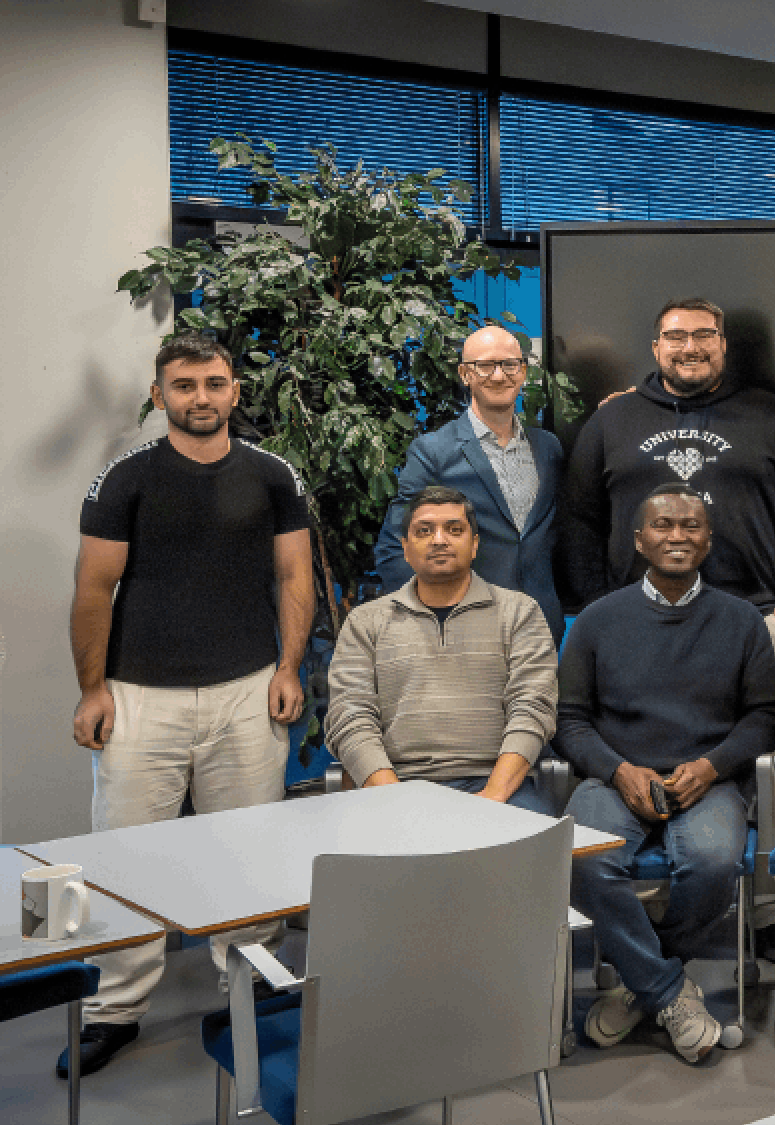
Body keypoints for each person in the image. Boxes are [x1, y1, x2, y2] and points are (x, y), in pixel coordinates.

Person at [64, 333, 313, 1077]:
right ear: (159, 394)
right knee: (125, 858)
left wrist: (290, 667)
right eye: (184, 385)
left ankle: (251, 996)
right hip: (141, 695)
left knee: (248, 854)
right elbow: (91, 591)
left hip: (248, 688)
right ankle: (114, 1010)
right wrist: (91, 688)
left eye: (213, 382)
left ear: (236, 390)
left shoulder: (273, 474)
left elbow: (295, 577)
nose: (200, 397)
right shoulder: (124, 479)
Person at [559, 484, 775, 1064]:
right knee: (584, 855)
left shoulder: (741, 621)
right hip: (615, 779)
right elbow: (570, 720)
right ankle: (667, 992)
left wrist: (713, 766)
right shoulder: (597, 620)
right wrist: (617, 769)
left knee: (713, 861)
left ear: (708, 539)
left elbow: (765, 717)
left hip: (708, 783)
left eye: (691, 526)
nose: (677, 536)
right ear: (639, 539)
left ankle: (641, 984)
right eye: (663, 525)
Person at [560, 297, 775, 679]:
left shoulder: (772, 416)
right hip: (635, 625)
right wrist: (600, 608)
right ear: (656, 347)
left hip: (753, 620)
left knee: (759, 737)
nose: (690, 347)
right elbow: (578, 519)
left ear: (723, 344)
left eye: (704, 335)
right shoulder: (611, 419)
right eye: (676, 336)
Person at [329, 485, 557, 811]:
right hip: (397, 784)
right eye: (424, 531)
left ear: (475, 544)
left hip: (498, 784)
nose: (439, 540)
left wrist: (493, 796)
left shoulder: (520, 613)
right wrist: (396, 800)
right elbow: (349, 718)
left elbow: (533, 710)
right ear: (405, 549)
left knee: (525, 854)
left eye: (454, 529)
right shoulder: (366, 622)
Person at [374, 324, 567, 643]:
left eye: (509, 364)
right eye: (485, 365)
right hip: (463, 627)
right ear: (465, 374)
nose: (499, 375)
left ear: (522, 372)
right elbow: (395, 544)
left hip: (541, 625)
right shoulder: (434, 451)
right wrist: (428, 618)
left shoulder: (548, 448)